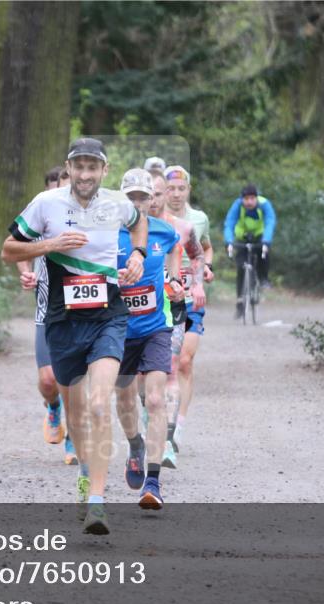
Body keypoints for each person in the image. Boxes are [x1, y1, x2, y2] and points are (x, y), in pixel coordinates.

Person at [1, 137, 148, 535]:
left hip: (107, 317)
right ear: (68, 168)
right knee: (77, 412)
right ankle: (85, 473)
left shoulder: (117, 202)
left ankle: (98, 502)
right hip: (62, 320)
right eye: (78, 167)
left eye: (93, 167)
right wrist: (50, 244)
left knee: (99, 403)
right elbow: (8, 249)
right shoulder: (45, 204)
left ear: (104, 170)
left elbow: (139, 224)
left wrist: (137, 255)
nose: (85, 174)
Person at [113, 168, 186, 509]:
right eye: (132, 198)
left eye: (145, 197)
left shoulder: (164, 231)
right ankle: (135, 445)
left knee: (155, 400)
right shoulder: (107, 234)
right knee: (126, 401)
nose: (139, 204)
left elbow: (175, 257)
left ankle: (153, 482)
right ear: (121, 200)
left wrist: (175, 282)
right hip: (117, 331)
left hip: (156, 328)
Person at [16, 167, 75, 463]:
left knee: (78, 380)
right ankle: (53, 409)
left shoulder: (93, 220)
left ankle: (74, 437)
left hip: (83, 312)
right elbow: (20, 246)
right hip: (47, 311)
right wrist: (26, 273)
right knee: (50, 380)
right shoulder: (42, 215)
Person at [149, 171, 205, 468]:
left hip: (173, 307)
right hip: (138, 310)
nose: (156, 199)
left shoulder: (183, 228)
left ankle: (168, 438)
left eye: (161, 193)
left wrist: (195, 283)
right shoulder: (129, 228)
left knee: (172, 369)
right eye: (153, 193)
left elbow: (197, 256)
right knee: (138, 380)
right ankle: (151, 423)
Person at [164, 165, 214, 458]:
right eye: (171, 189)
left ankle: (177, 426)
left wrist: (204, 268)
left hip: (191, 296)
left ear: (188, 190)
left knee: (184, 361)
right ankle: (159, 420)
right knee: (163, 363)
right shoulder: (155, 219)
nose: (176, 194)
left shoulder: (198, 219)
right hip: (165, 296)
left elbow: (205, 249)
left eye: (181, 189)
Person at [224, 184, 277, 318]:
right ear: (242, 199)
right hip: (242, 237)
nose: (249, 202)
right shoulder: (237, 206)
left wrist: (266, 241)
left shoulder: (264, 204)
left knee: (264, 255)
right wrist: (229, 241)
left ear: (256, 198)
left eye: (252, 198)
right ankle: (240, 301)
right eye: (246, 199)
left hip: (260, 237)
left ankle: (263, 278)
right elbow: (229, 223)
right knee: (241, 266)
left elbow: (270, 222)